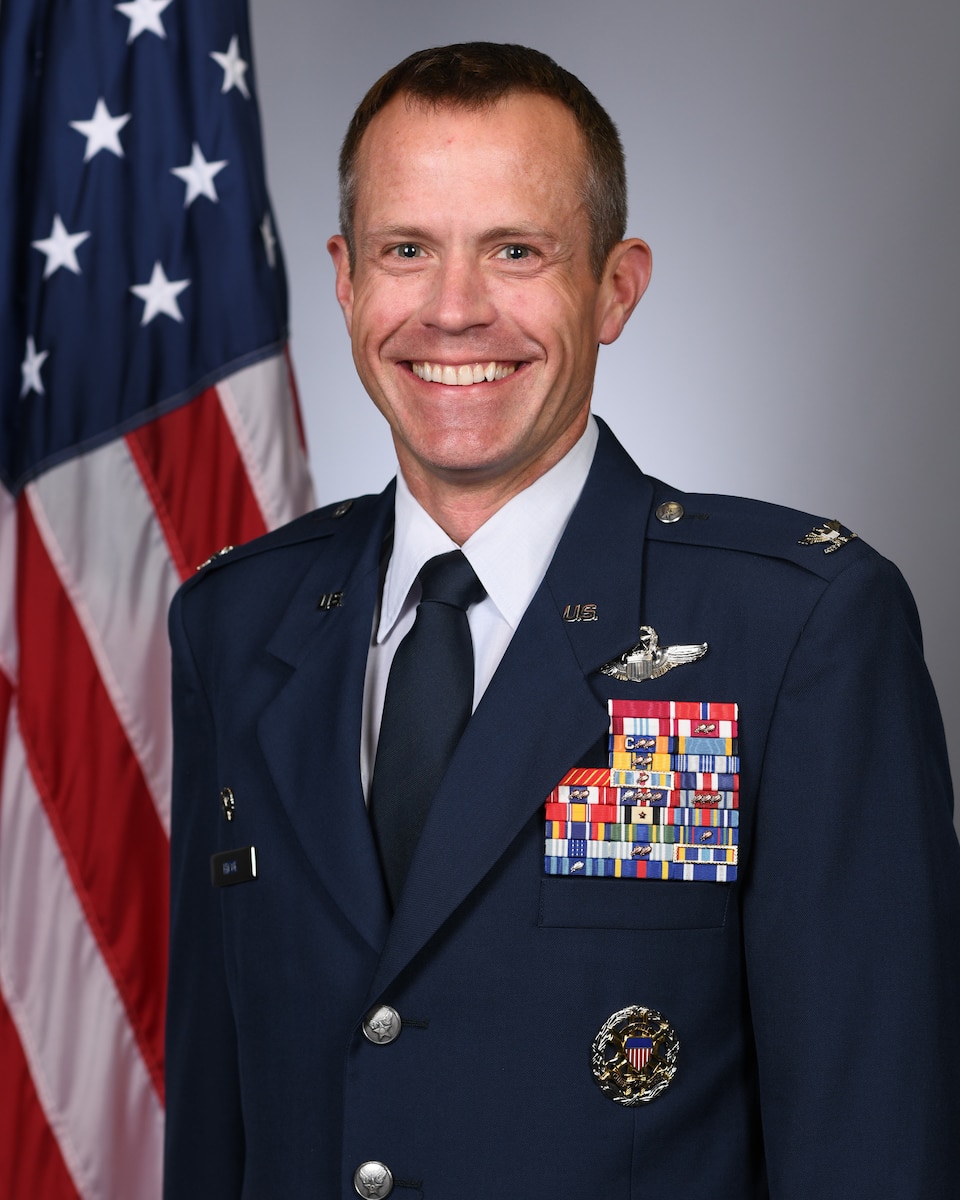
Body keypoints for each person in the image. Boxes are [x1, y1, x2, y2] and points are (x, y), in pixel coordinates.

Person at [163, 42, 960, 1199]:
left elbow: (873, 1140)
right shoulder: (235, 627)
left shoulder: (798, 630)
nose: (452, 311)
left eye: (516, 252)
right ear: (344, 280)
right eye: (406, 251)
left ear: (616, 287)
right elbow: (217, 1134)